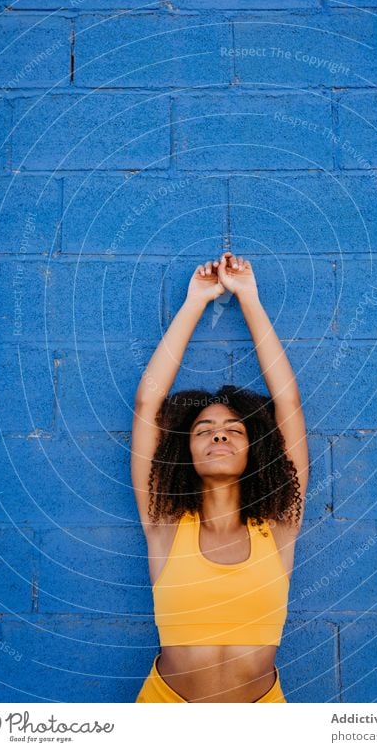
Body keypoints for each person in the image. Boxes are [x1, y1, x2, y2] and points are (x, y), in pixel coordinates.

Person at [131, 252, 309, 702]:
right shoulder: (164, 523)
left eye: (234, 430)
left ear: (256, 449)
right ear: (185, 451)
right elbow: (148, 407)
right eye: (204, 430)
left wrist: (248, 298)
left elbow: (287, 405)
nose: (219, 437)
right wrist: (196, 302)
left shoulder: (279, 524)